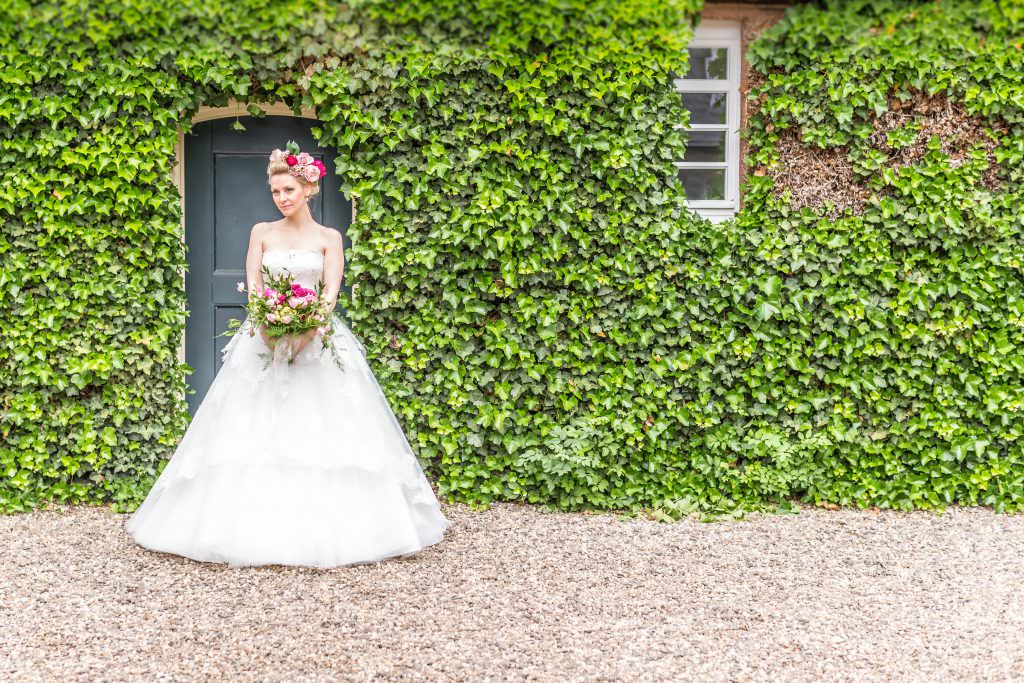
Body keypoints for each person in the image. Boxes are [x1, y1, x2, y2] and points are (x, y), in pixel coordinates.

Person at [125, 144, 451, 568]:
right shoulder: (262, 232)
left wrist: (310, 327)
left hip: (317, 341)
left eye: (288, 189)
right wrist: (265, 323)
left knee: (325, 430)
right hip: (263, 339)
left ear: (308, 188)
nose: (281, 198)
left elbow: (330, 292)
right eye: (276, 191)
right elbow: (255, 285)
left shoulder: (329, 238)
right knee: (252, 428)